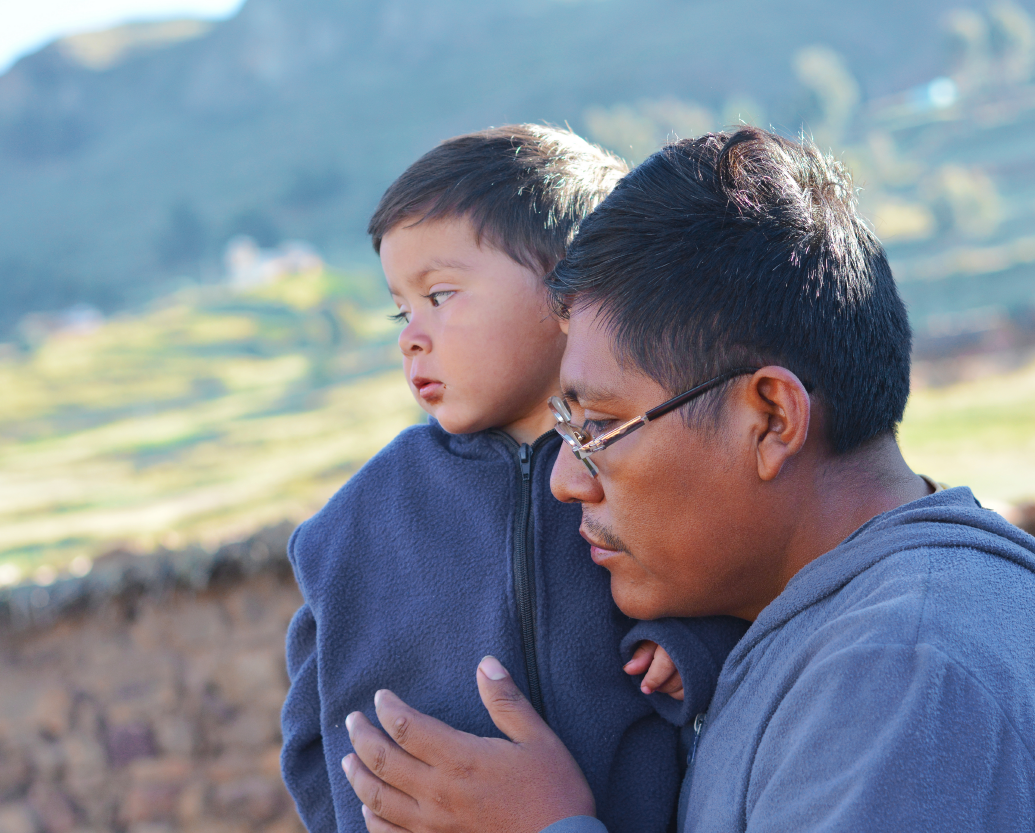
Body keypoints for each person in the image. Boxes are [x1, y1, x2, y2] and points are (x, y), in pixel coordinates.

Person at [338, 127, 1035, 832]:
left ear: (771, 419)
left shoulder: (904, 672)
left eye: (597, 428)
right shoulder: (823, 634)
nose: (567, 483)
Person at [280, 124, 748, 833]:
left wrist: (692, 653)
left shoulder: (651, 470)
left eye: (440, 294)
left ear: (569, 287)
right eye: (400, 309)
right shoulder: (358, 523)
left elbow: (741, 593)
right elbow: (311, 728)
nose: (410, 334)